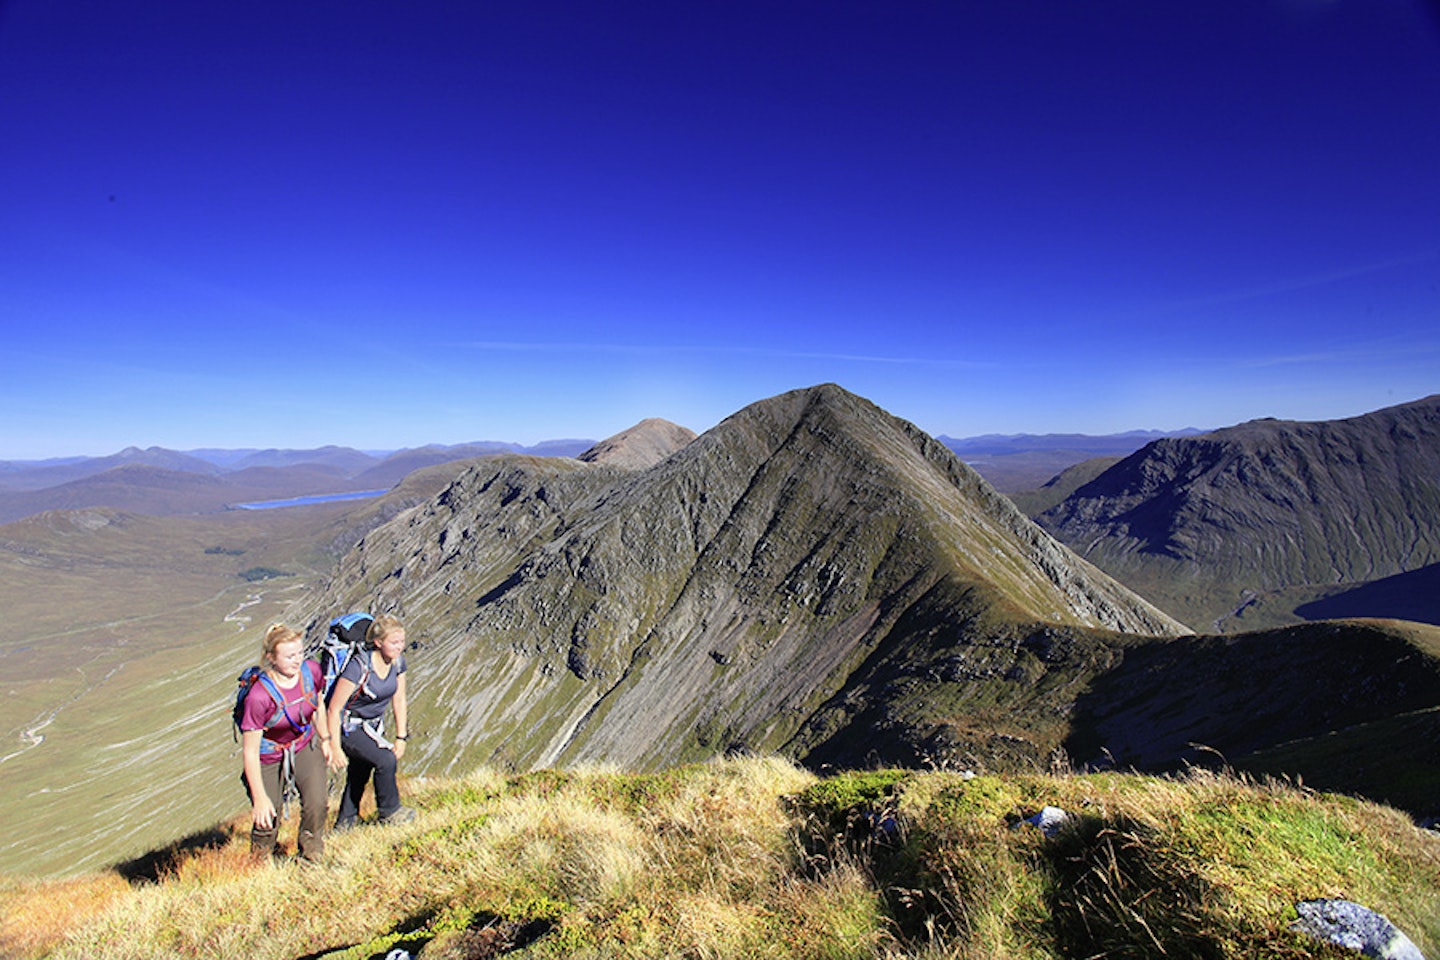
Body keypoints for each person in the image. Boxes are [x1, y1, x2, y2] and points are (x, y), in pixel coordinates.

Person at [238, 623, 335, 861]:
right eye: (290, 656)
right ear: (271, 658)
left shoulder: (311, 671)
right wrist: (259, 797)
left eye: (300, 653)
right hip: (268, 756)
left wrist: (325, 739)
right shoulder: (259, 697)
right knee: (268, 816)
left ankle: (312, 854)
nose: (297, 660)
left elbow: (317, 704)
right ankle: (260, 862)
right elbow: (250, 752)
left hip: (304, 744)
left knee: (317, 803)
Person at [328, 613, 414, 827]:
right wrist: (335, 746)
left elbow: (399, 699)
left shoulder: (397, 663)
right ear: (378, 642)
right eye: (394, 642)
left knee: (360, 772)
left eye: (401, 642)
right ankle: (390, 812)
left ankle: (344, 825)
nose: (399, 647)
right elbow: (334, 708)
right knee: (385, 760)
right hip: (348, 726)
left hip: (373, 726)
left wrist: (401, 737)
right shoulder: (359, 666)